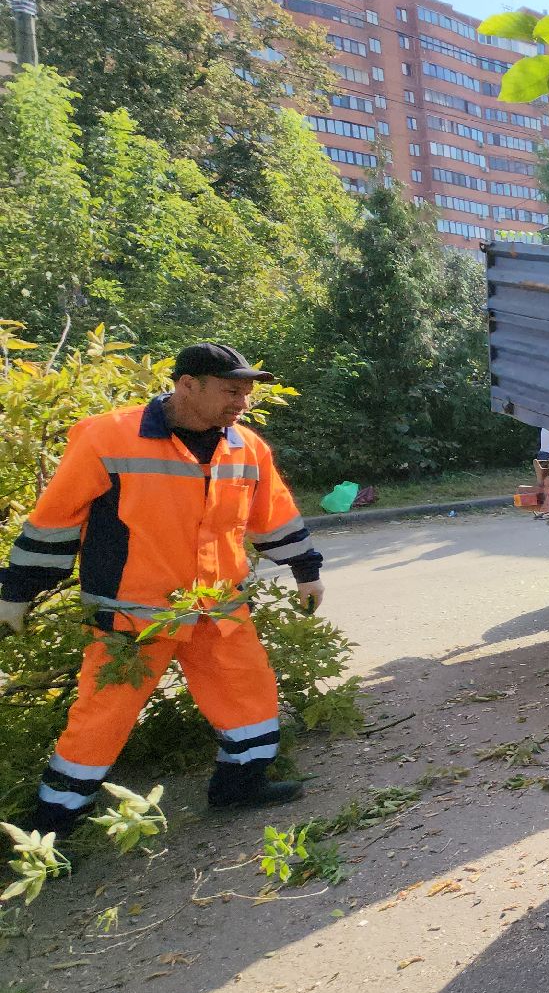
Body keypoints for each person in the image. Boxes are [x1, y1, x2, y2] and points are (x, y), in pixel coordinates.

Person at [0, 343, 324, 837]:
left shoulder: (247, 447)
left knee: (250, 697)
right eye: (230, 391)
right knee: (101, 719)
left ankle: (240, 786)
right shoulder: (107, 438)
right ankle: (49, 830)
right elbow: (55, 521)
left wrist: (306, 569)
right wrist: (17, 589)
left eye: (246, 394)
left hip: (219, 608)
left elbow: (273, 517)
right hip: (133, 616)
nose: (241, 403)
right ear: (187, 384)